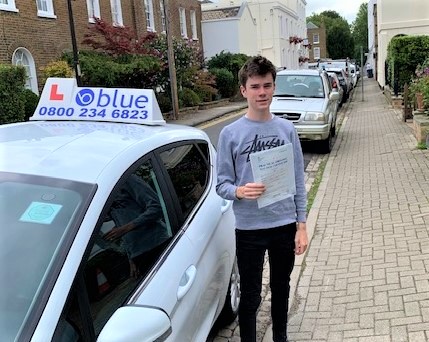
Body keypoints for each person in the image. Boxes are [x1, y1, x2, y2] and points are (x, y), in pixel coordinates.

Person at [216, 55, 308, 342]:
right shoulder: (230, 134)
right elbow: (221, 184)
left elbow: (297, 180)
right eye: (255, 87)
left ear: (274, 87)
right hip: (249, 229)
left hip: (283, 224)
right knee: (251, 295)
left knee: (281, 288)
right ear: (243, 90)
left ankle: (281, 336)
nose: (262, 93)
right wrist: (239, 192)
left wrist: (301, 225)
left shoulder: (286, 129)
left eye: (267, 86)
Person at [103, 174, 171, 278]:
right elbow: (121, 224)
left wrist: (128, 227)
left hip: (158, 245)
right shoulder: (104, 193)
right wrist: (131, 257)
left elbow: (157, 207)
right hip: (139, 256)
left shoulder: (127, 179)